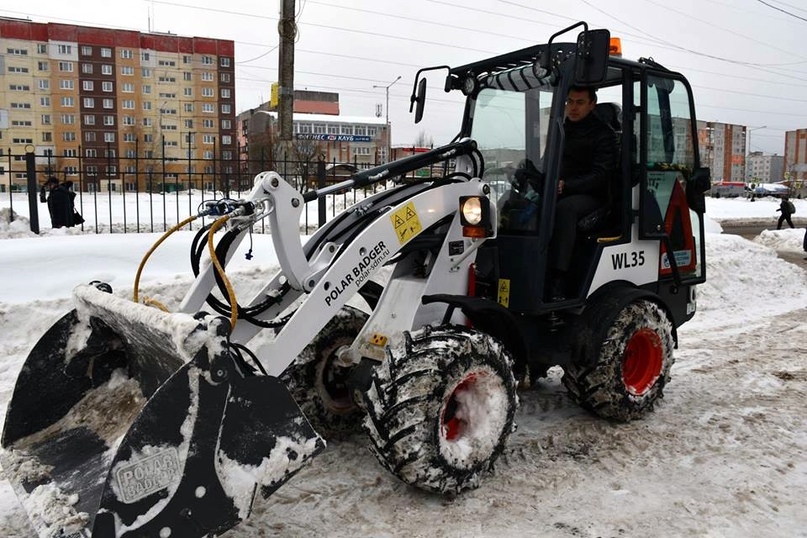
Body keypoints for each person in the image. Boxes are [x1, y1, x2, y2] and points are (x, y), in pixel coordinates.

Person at [547, 86, 618, 301]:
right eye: (570, 102)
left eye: (580, 102)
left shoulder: (603, 134)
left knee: (565, 210)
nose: (573, 108)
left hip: (594, 197)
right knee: (518, 204)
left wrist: (567, 185)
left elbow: (601, 174)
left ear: (592, 104)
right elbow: (548, 163)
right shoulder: (561, 130)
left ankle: (558, 279)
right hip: (561, 190)